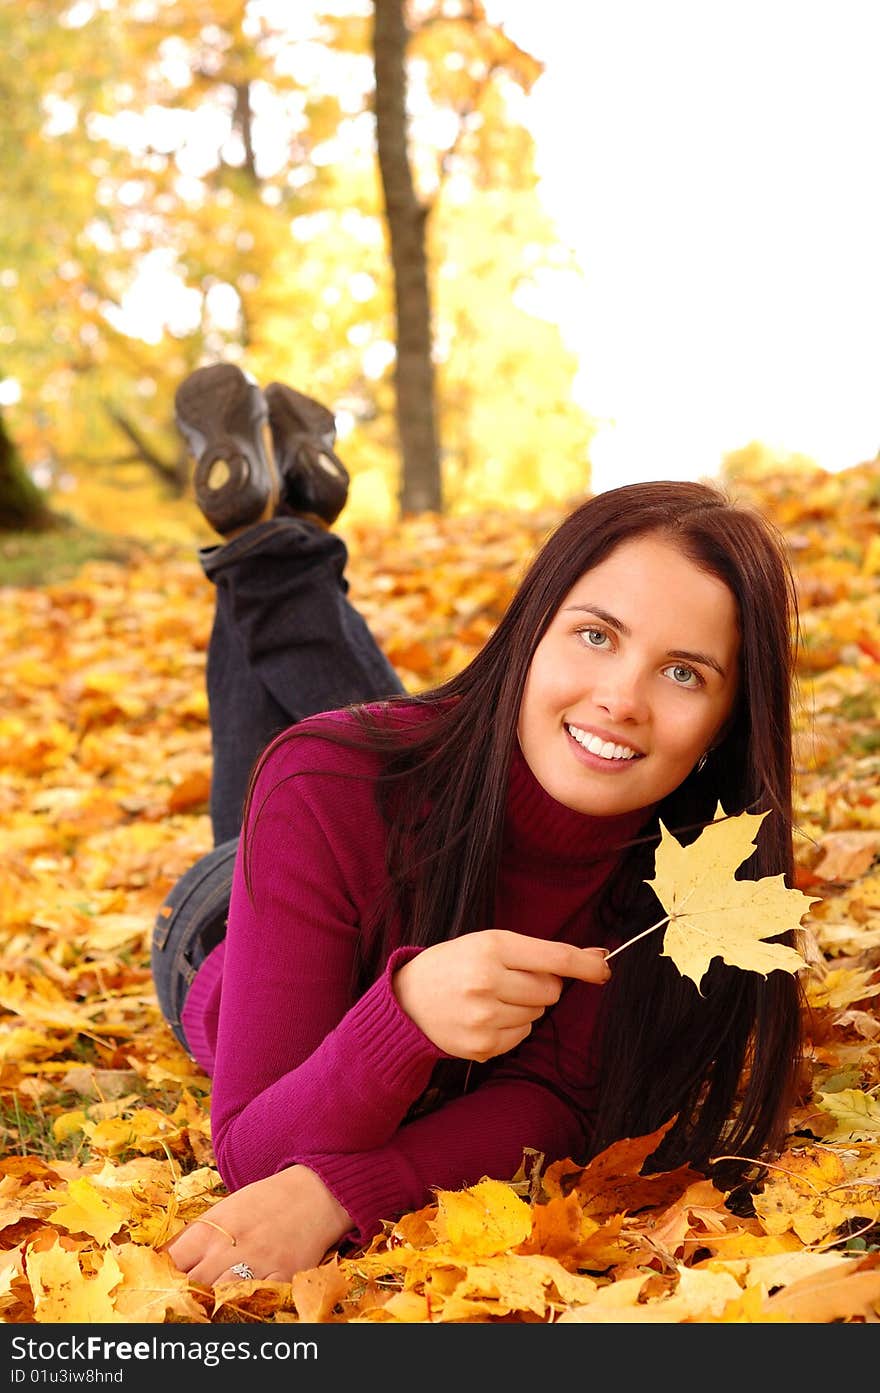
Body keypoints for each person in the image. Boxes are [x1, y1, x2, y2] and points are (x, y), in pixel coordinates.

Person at [154, 363, 807, 1288]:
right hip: (227, 918)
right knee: (324, 754)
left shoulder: (693, 892)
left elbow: (557, 1100)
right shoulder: (324, 787)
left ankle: (276, 524)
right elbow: (257, 1151)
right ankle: (266, 538)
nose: (620, 697)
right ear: (532, 630)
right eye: (595, 634)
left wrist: (348, 1191)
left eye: (684, 672)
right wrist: (406, 1015)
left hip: (436, 784)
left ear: (726, 722)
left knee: (393, 749)